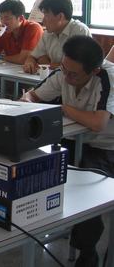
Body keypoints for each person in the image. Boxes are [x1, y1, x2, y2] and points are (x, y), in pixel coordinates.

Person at [21, 36, 114, 267]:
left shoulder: (109, 77)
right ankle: (33, 225)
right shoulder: (64, 71)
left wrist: (63, 107)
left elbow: (98, 123)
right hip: (72, 140)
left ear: (94, 71)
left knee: (86, 190)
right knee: (36, 168)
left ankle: (87, 252)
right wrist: (27, 101)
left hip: (104, 147)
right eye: (64, 69)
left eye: (74, 75)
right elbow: (33, 95)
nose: (67, 77)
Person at [23, 0, 91, 74]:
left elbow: (76, 65)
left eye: (46, 15)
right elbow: (34, 56)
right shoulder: (48, 33)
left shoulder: (80, 31)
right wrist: (30, 62)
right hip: (53, 77)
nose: (43, 21)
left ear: (60, 16)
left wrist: (47, 63)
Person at [0, 0, 43, 64]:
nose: (3, 22)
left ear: (20, 18)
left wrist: (1, 57)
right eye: (1, 18)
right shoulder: (5, 31)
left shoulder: (33, 28)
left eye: (7, 18)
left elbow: (23, 59)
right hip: (12, 68)